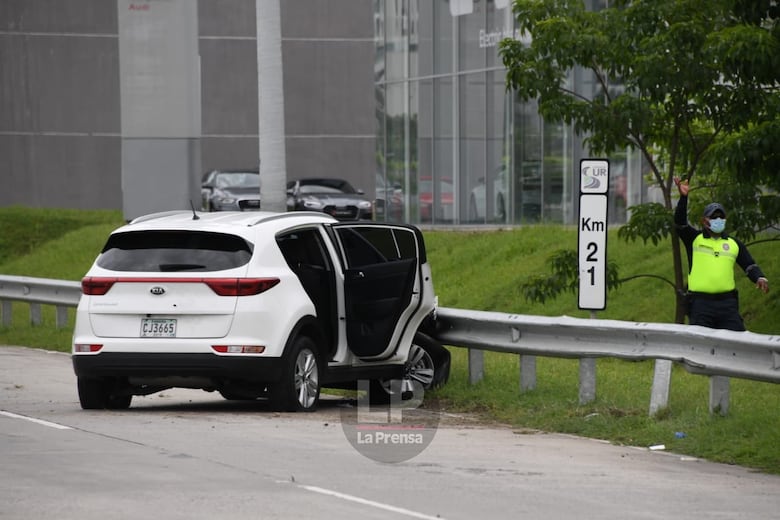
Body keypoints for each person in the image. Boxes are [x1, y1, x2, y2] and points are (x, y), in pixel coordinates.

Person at [673, 177, 769, 331]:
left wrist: (759, 277)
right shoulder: (694, 239)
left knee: (736, 341)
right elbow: (679, 223)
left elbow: (749, 265)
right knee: (701, 343)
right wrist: (683, 198)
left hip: (727, 304)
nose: (718, 219)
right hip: (701, 305)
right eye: (714, 217)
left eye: (721, 217)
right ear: (704, 221)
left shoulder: (733, 244)